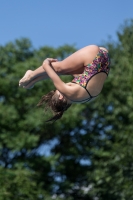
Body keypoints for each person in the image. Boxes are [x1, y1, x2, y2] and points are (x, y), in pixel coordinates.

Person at [19, 45, 111, 122]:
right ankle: (31, 75)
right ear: (61, 96)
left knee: (63, 71)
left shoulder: (82, 99)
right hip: (94, 55)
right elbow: (50, 69)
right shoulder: (68, 92)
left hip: (105, 59)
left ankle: (32, 81)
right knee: (58, 68)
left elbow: (82, 76)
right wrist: (46, 62)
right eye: (57, 90)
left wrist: (35, 80)